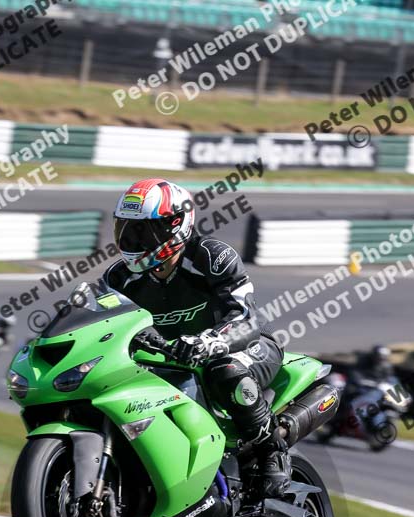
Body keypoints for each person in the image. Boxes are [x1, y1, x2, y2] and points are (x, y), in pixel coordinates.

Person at [103, 178, 291, 497]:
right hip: (173, 359)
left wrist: (211, 341)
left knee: (225, 370)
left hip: (248, 346)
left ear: (176, 225)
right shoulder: (118, 278)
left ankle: (271, 451)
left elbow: (246, 317)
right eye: (126, 230)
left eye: (143, 231)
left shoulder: (211, 257)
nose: (132, 241)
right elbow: (102, 323)